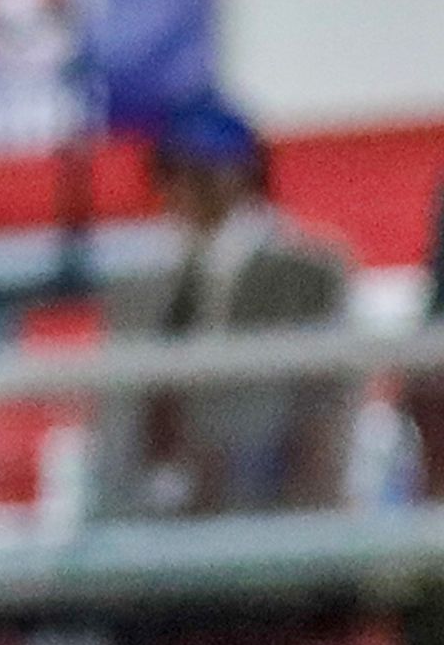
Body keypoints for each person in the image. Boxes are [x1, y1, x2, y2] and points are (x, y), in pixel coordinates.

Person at [97, 97, 358, 514]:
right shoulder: (139, 285)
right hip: (159, 530)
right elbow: (121, 422)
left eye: (202, 173)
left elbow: (322, 418)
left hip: (269, 519)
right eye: (170, 172)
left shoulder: (310, 273)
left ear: (248, 175)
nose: (183, 189)